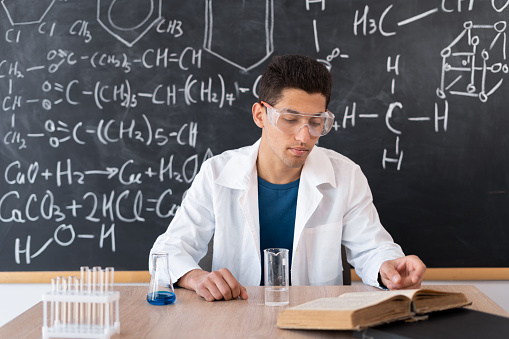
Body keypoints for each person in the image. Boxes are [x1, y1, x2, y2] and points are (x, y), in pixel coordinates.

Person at [150, 54, 426, 302]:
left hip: (316, 319)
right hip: (235, 318)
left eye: (316, 122)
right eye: (290, 119)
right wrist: (196, 278)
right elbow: (166, 251)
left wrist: (388, 267)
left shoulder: (345, 175)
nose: (304, 136)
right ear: (260, 115)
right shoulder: (216, 174)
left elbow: (372, 248)